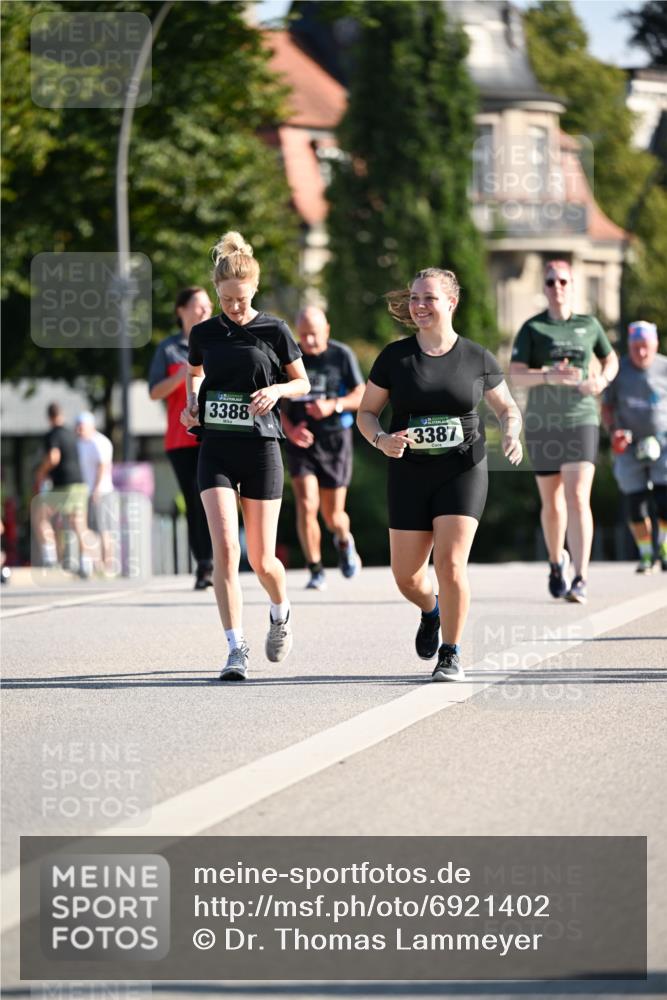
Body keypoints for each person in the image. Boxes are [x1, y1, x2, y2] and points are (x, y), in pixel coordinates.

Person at [357, 267, 523, 683]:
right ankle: (431, 610)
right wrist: (380, 440)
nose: (418, 305)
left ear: (451, 302)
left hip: (462, 469)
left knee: (450, 564)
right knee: (407, 577)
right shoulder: (395, 358)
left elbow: (507, 408)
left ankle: (451, 653)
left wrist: (512, 435)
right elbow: (366, 413)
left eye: (428, 298)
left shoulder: (476, 357)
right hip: (409, 471)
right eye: (414, 297)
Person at [180, 231, 310, 682]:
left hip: (261, 448)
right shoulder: (204, 333)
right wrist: (191, 404)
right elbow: (194, 373)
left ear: (253, 289)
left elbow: (303, 383)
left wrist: (277, 390)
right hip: (215, 446)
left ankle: (280, 610)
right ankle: (236, 648)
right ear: (217, 292)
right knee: (226, 552)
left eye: (240, 299)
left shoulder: (274, 329)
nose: (234, 307)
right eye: (226, 299)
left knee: (262, 558)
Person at [509, 260, 619, 604]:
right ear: (544, 288)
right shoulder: (533, 328)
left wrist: (601, 380)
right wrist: (547, 376)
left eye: (563, 281)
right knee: (552, 502)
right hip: (544, 423)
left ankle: (581, 577)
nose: (557, 286)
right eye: (551, 281)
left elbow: (611, 359)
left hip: (581, 418)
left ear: (573, 285)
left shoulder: (589, 325)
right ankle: (556, 561)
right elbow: (516, 374)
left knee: (577, 497)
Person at [281, 306, 365, 590]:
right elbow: (274, 400)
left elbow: (360, 393)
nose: (310, 342)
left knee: (333, 516)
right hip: (300, 440)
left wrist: (332, 405)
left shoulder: (341, 355)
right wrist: (290, 429)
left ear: (326, 330)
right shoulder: (290, 357)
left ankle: (343, 540)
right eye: (303, 335)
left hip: (334, 440)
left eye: (314, 335)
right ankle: (315, 568)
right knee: (306, 504)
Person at [149, 287, 215, 589]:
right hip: (181, 439)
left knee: (217, 497)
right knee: (194, 500)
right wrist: (186, 373)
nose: (204, 311)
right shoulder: (169, 348)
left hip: (215, 434)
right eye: (197, 306)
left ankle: (223, 559)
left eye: (207, 306)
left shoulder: (218, 340)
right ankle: (204, 564)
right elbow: (154, 392)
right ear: (181, 310)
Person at [602, 320, 667, 573]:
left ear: (655, 345)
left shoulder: (664, 367)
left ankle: (663, 547)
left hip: (663, 442)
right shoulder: (619, 370)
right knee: (636, 503)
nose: (641, 353)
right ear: (629, 346)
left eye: (646, 347)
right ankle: (646, 555)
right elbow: (607, 407)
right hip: (629, 445)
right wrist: (614, 431)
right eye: (636, 347)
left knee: (664, 501)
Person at [33, 403, 89, 575]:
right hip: (79, 483)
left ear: (49, 417)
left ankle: (50, 556)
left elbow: (54, 457)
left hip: (63, 485)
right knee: (78, 523)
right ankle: (86, 562)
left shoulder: (53, 435)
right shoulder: (72, 434)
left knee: (40, 516)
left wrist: (41, 473)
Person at [75, 411, 116, 574]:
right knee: (89, 529)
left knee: (103, 529)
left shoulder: (100, 442)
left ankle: (108, 565)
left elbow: (103, 466)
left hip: (102, 491)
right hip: (85, 492)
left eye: (81, 426)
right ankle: (96, 564)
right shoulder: (79, 443)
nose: (78, 430)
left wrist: (97, 488)